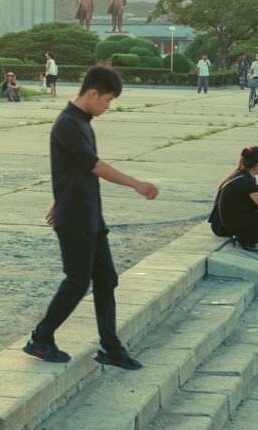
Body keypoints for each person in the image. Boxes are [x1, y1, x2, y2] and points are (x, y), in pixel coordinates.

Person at [23, 66, 158, 370]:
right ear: (93, 93)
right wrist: (136, 183)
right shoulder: (68, 124)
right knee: (77, 281)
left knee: (106, 279)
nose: (108, 107)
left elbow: (69, 168)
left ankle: (111, 347)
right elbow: (92, 165)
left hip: (88, 213)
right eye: (108, 101)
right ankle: (41, 338)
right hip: (76, 218)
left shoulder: (83, 122)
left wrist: (57, 199)